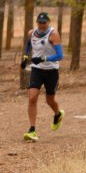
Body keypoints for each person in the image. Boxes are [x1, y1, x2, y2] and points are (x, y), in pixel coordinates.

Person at [20, 12, 65, 141]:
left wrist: (43, 58)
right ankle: (32, 130)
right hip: (37, 70)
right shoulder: (32, 33)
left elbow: (60, 56)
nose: (42, 25)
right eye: (40, 22)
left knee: (50, 100)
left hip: (51, 71)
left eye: (44, 22)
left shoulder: (54, 35)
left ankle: (58, 114)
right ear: (37, 23)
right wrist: (25, 57)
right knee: (32, 98)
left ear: (48, 22)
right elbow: (29, 44)